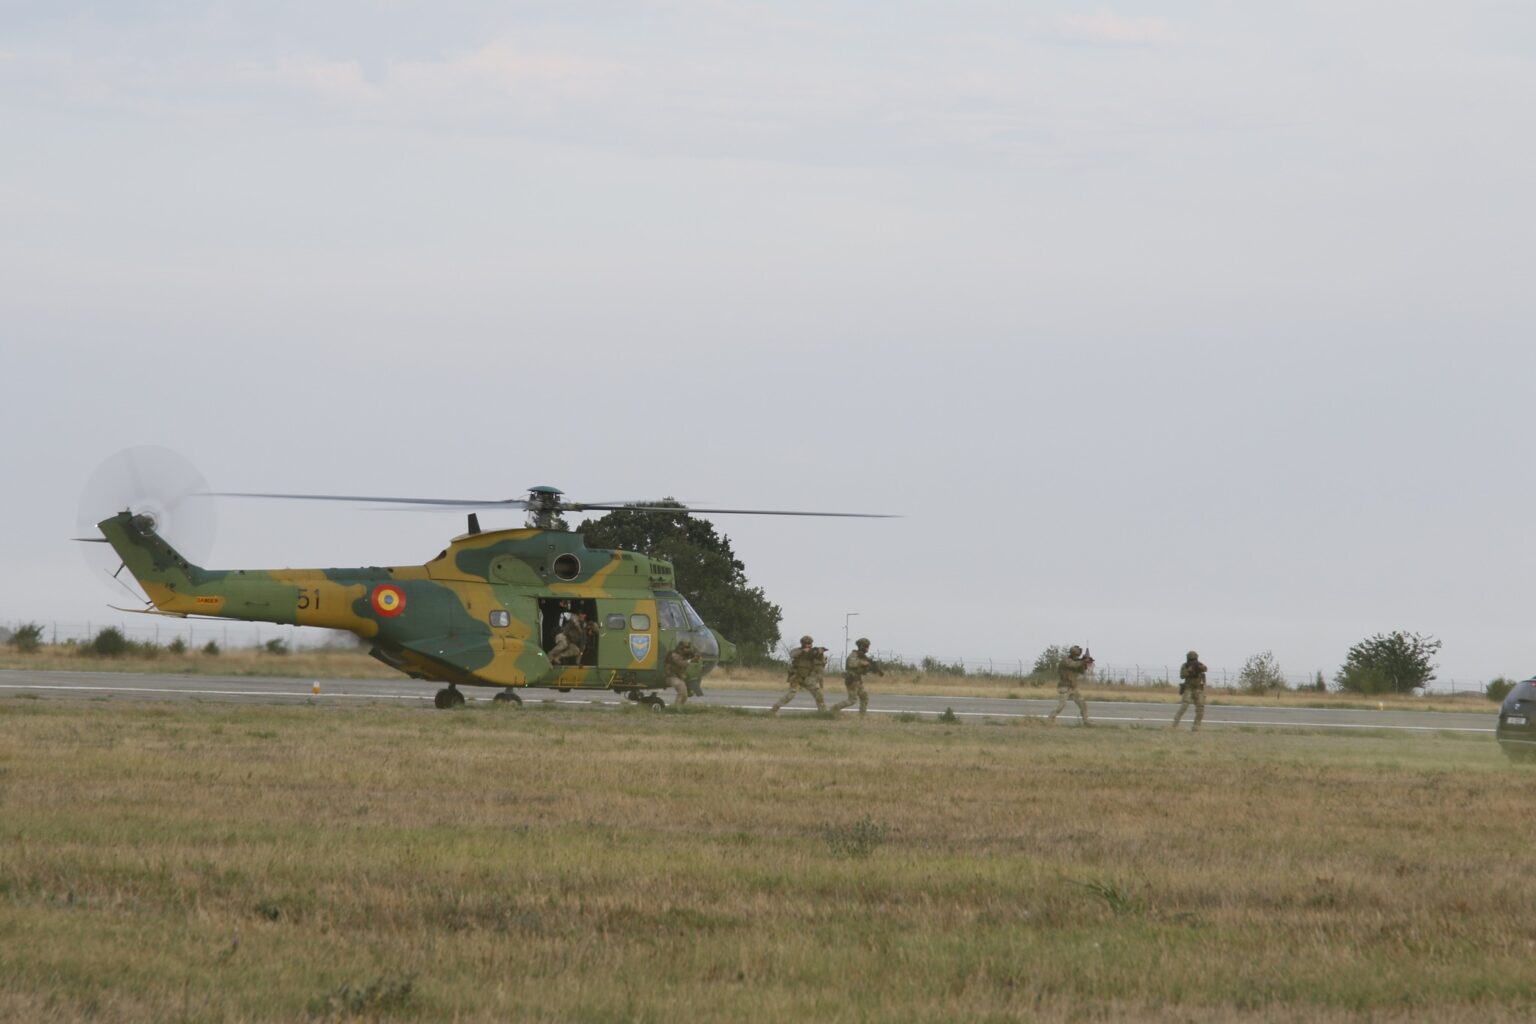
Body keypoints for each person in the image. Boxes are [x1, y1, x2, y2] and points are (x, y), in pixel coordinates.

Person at [771, 635, 827, 714]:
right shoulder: (798, 650)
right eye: (807, 643)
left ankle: (823, 712)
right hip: (796, 676)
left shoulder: (813, 652)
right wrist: (803, 651)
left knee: (818, 693)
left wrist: (820, 653)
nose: (809, 645)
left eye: (810, 643)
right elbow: (792, 654)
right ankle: (773, 710)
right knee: (790, 695)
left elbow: (822, 663)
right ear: (803, 644)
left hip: (807, 678)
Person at [833, 637, 883, 715]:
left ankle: (862, 716)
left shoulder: (862, 656)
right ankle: (834, 709)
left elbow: (865, 668)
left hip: (858, 680)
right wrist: (863, 663)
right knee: (852, 700)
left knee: (864, 697)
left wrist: (875, 669)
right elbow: (851, 663)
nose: (867, 648)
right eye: (866, 646)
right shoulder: (854, 654)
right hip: (852, 680)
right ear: (861, 646)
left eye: (868, 646)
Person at [1047, 644, 1093, 726]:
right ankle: (1050, 719)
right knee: (1061, 706)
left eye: (1078, 656)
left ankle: (1086, 721)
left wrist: (1085, 664)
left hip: (1073, 688)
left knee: (1083, 704)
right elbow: (1072, 665)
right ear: (1072, 654)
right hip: (1064, 687)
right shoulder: (1065, 661)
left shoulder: (1077, 662)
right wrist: (1083, 661)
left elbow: (1081, 671)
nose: (1077, 657)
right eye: (1076, 655)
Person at [1171, 650, 1208, 731]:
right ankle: (1174, 725)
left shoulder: (1199, 664)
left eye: (1194, 659)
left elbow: (1205, 669)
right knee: (1184, 706)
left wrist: (1200, 668)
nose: (1193, 661)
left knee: (1200, 708)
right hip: (1189, 688)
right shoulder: (1185, 666)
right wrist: (1188, 670)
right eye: (1191, 659)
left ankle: (1196, 727)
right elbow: (1182, 676)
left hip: (1198, 689)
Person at [664, 640, 696, 708]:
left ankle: (679, 708)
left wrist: (695, 657)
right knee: (681, 691)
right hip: (671, 676)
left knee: (685, 695)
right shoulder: (674, 654)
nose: (687, 649)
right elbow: (681, 663)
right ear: (681, 648)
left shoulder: (684, 655)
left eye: (688, 648)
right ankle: (675, 708)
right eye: (686, 648)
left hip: (678, 677)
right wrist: (691, 660)